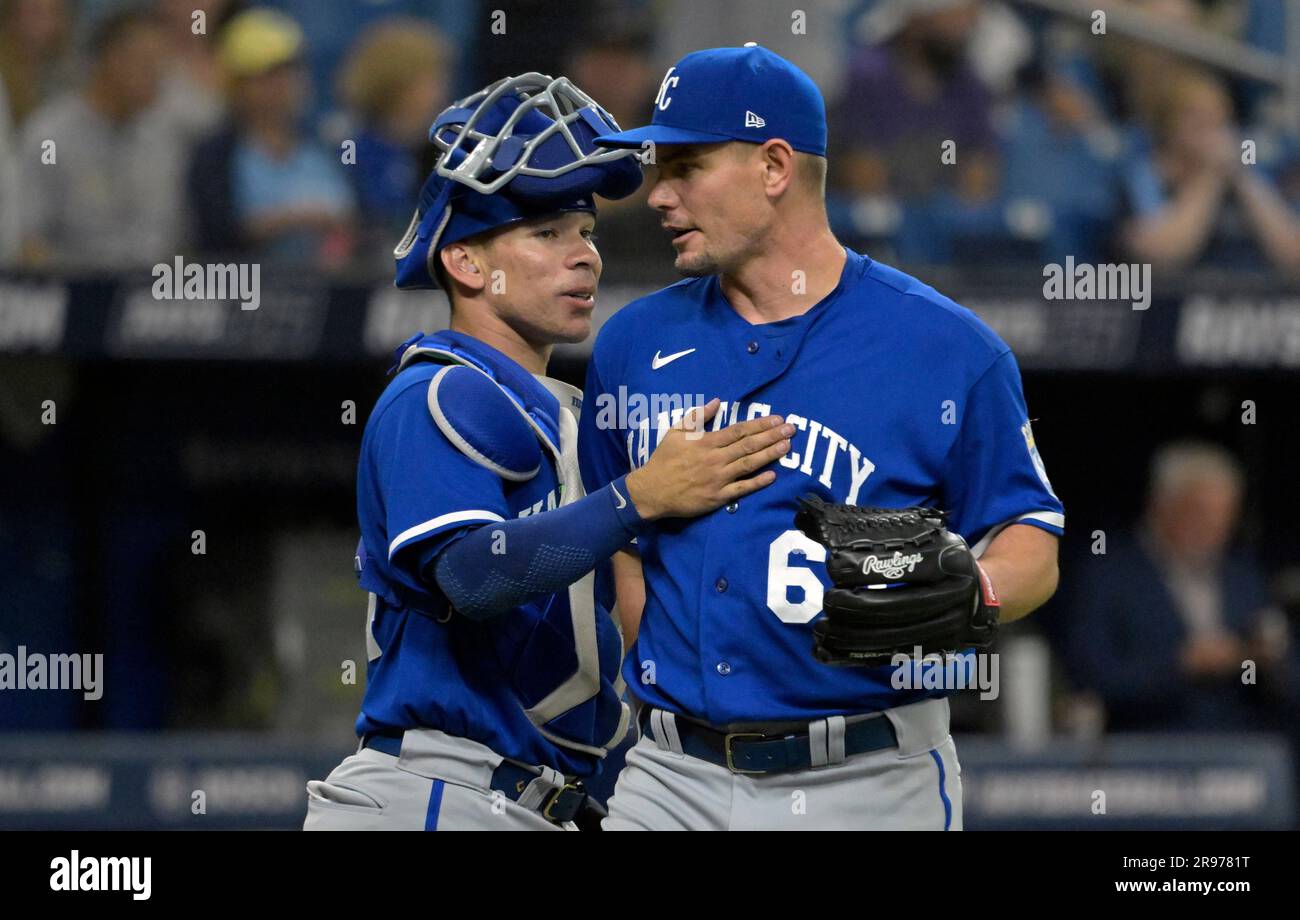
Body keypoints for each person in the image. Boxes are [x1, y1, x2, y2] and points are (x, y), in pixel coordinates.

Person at [583, 45, 1064, 830]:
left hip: (867, 778)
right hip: (671, 776)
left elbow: (1031, 539)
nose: (658, 196)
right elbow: (625, 547)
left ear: (775, 166)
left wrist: (980, 589)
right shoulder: (632, 343)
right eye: (655, 169)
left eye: (685, 167)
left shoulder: (945, 348)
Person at [304, 73, 792, 831]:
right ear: (466, 262)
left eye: (587, 233)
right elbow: (471, 574)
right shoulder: (441, 391)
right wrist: (642, 497)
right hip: (437, 793)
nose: (584, 257)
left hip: (535, 800)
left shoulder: (559, 405)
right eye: (546, 233)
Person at [1055, 441, 1294, 731]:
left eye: (1226, 514)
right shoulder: (1109, 574)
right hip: (1148, 751)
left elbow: (1286, 677)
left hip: (1241, 749)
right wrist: (1181, 664)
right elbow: (1090, 676)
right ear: (1162, 504)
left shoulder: (1243, 576)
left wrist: (1262, 659)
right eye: (1201, 512)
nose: (1216, 527)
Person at [16, 5, 184, 269]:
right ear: (112, 60)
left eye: (162, 64)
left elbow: (178, 240)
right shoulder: (50, 138)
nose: (158, 76)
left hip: (152, 296)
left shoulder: (164, 137)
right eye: (148, 63)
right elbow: (27, 240)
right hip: (73, 294)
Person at [187, 8, 355, 266]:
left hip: (328, 289)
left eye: (290, 71)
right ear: (238, 86)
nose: (282, 85)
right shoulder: (215, 155)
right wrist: (292, 219)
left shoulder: (326, 145)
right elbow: (217, 232)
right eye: (267, 76)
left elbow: (357, 222)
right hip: (243, 291)